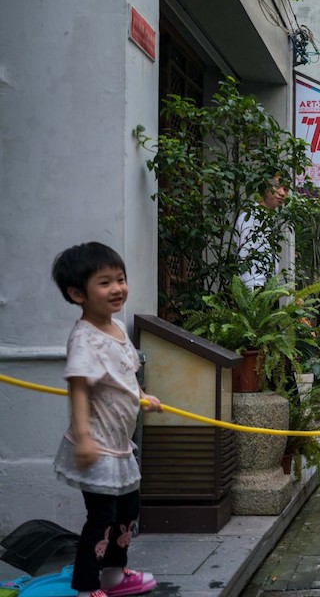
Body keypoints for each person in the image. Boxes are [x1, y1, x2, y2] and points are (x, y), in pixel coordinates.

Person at [51, 242, 163, 597]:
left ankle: (113, 575)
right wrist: (83, 437)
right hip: (97, 446)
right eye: (104, 282)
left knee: (128, 511)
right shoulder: (85, 338)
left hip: (119, 446)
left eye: (121, 279)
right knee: (100, 520)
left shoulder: (115, 328)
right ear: (76, 293)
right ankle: (87, 588)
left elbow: (122, 376)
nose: (117, 288)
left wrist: (142, 397)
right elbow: (79, 389)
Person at [236, 177, 288, 289]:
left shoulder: (269, 218)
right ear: (264, 187)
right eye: (277, 186)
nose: (282, 193)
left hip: (267, 287)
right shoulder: (250, 218)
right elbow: (245, 257)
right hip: (255, 288)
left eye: (286, 189)